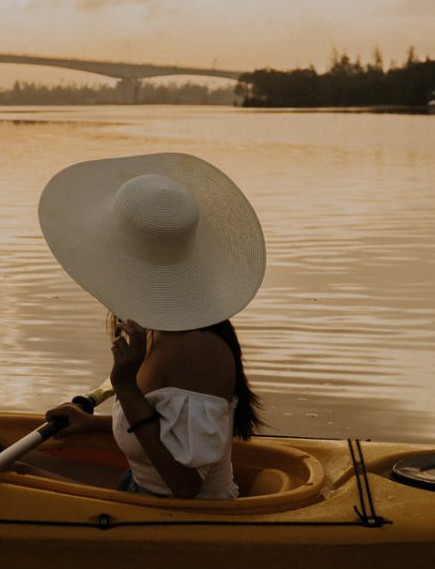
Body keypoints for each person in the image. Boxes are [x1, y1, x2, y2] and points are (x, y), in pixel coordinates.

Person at [35, 152, 266, 499]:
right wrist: (91, 425)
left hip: (183, 516)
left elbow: (187, 485)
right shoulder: (162, 326)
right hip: (138, 489)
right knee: (15, 464)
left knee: (19, 473)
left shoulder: (196, 348)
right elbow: (163, 427)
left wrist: (125, 387)